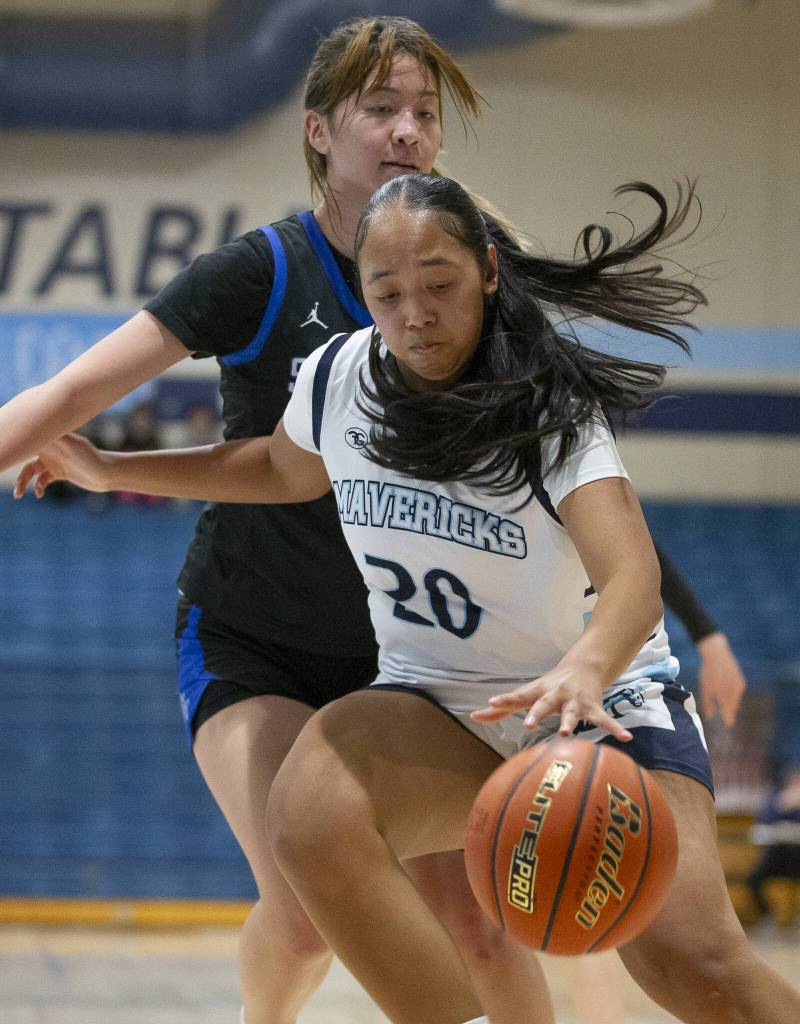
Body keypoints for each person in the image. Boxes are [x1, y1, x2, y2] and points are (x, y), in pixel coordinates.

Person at [14, 174, 797, 1024]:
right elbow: (278, 468)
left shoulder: (550, 403)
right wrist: (112, 470)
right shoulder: (340, 375)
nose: (415, 312)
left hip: (594, 706)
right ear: (363, 294)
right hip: (442, 705)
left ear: (489, 272)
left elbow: (635, 578)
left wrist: (583, 668)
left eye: (440, 284)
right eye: (388, 292)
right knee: (311, 811)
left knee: (696, 969)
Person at [0, 17, 555, 1024]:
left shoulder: (479, 273)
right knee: (302, 911)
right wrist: (96, 456)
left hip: (408, 656)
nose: (405, 133)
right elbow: (73, 390)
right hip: (252, 633)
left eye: (423, 114)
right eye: (379, 109)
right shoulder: (259, 272)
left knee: (479, 927)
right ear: (316, 131)